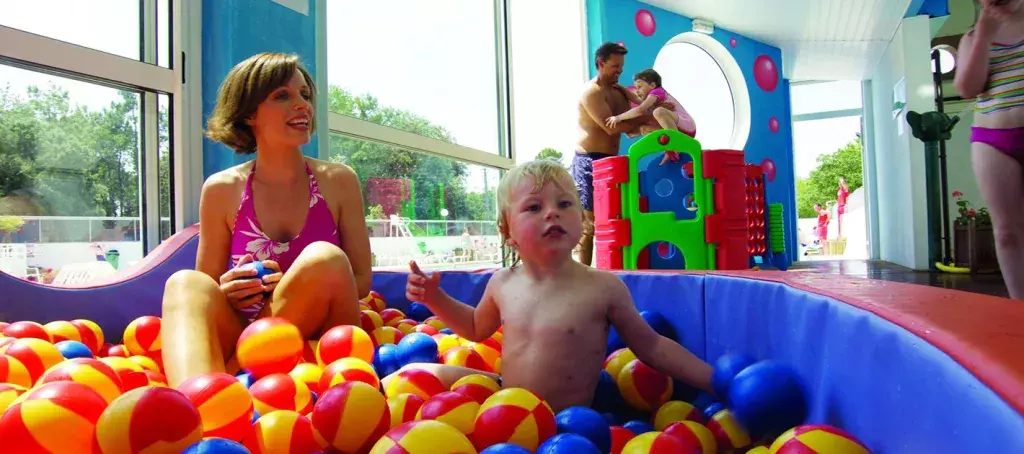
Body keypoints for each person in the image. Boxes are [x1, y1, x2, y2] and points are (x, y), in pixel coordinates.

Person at [391, 159, 714, 412]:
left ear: (583, 221)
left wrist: (714, 381)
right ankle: (373, 387)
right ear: (507, 231)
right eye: (534, 207)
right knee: (418, 371)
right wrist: (436, 298)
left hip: (566, 424)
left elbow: (652, 346)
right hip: (509, 408)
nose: (552, 214)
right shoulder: (502, 282)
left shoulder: (603, 287)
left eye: (564, 204)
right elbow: (476, 327)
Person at [160, 52, 372, 386]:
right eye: (282, 96)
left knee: (325, 258)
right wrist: (229, 288)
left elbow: (361, 279)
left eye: (304, 94)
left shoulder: (339, 180)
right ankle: (200, 408)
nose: (303, 105)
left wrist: (295, 282)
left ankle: (228, 381)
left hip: (314, 340)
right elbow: (208, 288)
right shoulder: (221, 190)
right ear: (248, 114)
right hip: (245, 332)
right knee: (184, 282)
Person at [955, 0, 1024, 300]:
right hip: (993, 140)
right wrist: (984, 36)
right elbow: (968, 88)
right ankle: (1019, 311)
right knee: (1007, 234)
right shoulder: (972, 37)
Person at [573, 42, 654, 266]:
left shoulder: (619, 91)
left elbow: (632, 124)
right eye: (615, 66)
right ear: (601, 64)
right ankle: (583, 272)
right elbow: (612, 127)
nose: (620, 70)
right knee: (590, 224)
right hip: (589, 159)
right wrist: (646, 119)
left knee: (616, 218)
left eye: (621, 66)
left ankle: (615, 268)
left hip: (612, 161)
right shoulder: (591, 92)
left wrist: (657, 118)